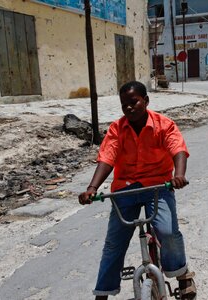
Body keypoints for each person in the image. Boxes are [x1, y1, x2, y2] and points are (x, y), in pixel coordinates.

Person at [78, 81, 196, 300]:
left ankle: (182, 275)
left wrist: (178, 175)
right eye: (125, 105)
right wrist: (92, 188)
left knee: (168, 232)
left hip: (158, 185)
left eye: (134, 102)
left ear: (146, 101)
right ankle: (102, 293)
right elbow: (107, 158)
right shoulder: (116, 129)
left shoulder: (164, 124)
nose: (129, 108)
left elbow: (177, 149)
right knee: (114, 242)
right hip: (126, 188)